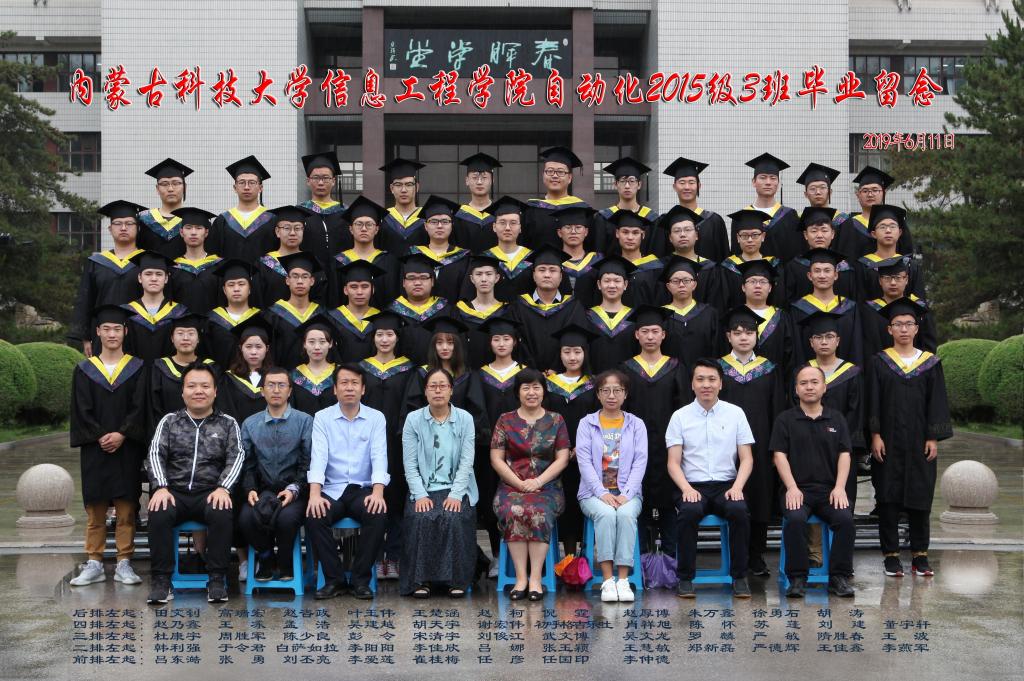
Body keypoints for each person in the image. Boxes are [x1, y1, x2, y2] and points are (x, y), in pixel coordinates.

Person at [146, 363, 245, 605]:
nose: (198, 391)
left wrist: (224, 488)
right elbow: (155, 454)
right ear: (183, 391)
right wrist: (160, 487)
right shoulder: (169, 421)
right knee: (158, 511)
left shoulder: (227, 423)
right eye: (192, 386)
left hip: (211, 492)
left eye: (205, 386)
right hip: (174, 491)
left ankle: (217, 579)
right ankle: (161, 581)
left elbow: (237, 456)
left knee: (222, 510)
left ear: (215, 391)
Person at [867, 298, 952, 578]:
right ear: (889, 329)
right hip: (888, 440)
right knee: (887, 496)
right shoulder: (879, 362)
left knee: (920, 495)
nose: (903, 329)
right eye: (898, 324)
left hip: (919, 440)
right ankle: (891, 556)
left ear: (916, 328)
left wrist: (933, 437)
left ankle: (920, 555)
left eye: (908, 324)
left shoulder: (930, 363)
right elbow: (873, 400)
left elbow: (936, 401)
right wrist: (875, 434)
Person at [68, 305, 147, 588]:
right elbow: (81, 409)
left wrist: (123, 434)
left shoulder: (138, 368)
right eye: (106, 329)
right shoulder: (84, 370)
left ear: (125, 332)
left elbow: (140, 407)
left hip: (126, 448)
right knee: (96, 509)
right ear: (98, 333)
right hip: (95, 448)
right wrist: (101, 435)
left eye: (116, 329)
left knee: (126, 510)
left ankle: (124, 562)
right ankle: (95, 562)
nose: (112, 334)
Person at [666, 358, 754, 598]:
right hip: (692, 485)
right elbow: (673, 463)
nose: (706, 384)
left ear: (721, 383)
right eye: (700, 379)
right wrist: (686, 488)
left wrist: (738, 487)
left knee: (739, 511)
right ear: (692, 384)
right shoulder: (680, 417)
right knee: (689, 512)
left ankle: (739, 577)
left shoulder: (735, 414)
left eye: (712, 379)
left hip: (727, 485)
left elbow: (747, 458)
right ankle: (685, 578)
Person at [306, 364, 390, 600]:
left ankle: (360, 580)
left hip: (362, 489)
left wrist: (378, 492)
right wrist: (314, 494)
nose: (349, 388)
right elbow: (319, 457)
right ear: (335, 389)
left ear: (363, 389)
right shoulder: (322, 418)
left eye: (354, 383)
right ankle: (335, 580)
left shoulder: (376, 418)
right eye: (344, 383)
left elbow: (379, 456)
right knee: (314, 515)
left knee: (378, 513)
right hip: (331, 488)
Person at [772, 364, 857, 598]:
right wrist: (791, 487)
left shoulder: (836, 419)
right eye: (803, 383)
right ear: (796, 389)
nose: (809, 387)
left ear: (824, 387)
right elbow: (779, 456)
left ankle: (839, 577)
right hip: (797, 490)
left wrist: (840, 487)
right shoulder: (785, 420)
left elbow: (845, 455)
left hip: (829, 491)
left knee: (845, 520)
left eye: (814, 382)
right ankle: (798, 578)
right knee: (796, 519)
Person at [490, 369, 571, 600]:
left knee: (538, 511)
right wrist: (518, 483)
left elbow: (563, 458)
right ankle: (520, 578)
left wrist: (537, 481)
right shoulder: (505, 420)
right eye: (526, 388)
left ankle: (536, 578)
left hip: (547, 487)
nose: (531, 392)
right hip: (511, 486)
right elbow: (496, 458)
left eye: (536, 387)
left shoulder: (556, 420)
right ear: (518, 392)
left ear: (544, 391)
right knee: (512, 510)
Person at [718, 306, 785, 577]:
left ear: (757, 336)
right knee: (731, 495)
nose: (743, 337)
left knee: (759, 497)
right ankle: (735, 554)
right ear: (728, 337)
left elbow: (777, 410)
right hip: (724, 443)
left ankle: (756, 555)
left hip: (760, 441)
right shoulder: (719, 369)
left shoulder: (769, 369)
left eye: (749, 332)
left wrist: (776, 447)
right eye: (737, 333)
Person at [400, 367, 479, 598]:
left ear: (451, 390)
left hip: (457, 487)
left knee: (454, 517)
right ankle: (420, 580)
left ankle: (457, 580)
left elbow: (467, 461)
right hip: (424, 488)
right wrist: (420, 494)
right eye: (432, 386)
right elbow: (409, 463)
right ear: (425, 391)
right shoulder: (413, 420)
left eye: (442, 386)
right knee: (420, 517)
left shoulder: (465, 419)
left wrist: (456, 494)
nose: (437, 391)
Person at [620, 305, 691, 556]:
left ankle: (670, 558)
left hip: (668, 446)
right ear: (636, 335)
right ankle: (639, 556)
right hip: (634, 446)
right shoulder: (626, 369)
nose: (650, 336)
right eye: (645, 331)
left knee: (668, 500)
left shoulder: (676, 367)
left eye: (655, 331)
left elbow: (684, 408)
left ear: (663, 335)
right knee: (637, 496)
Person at [575, 369, 647, 603]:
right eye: (605, 390)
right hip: (592, 493)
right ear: (598, 394)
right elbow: (584, 462)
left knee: (625, 514)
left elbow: (640, 461)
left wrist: (626, 494)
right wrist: (602, 493)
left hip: (628, 493)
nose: (612, 395)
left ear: (625, 394)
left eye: (617, 390)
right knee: (606, 515)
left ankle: (623, 580)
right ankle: (607, 580)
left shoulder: (636, 424)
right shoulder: (587, 423)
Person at [238, 366, 313, 582]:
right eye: (271, 385)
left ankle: (285, 561)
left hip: (296, 490)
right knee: (245, 518)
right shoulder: (250, 424)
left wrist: (295, 488)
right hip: (263, 490)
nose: (276, 390)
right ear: (262, 391)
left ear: (290, 391)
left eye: (282, 385)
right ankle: (266, 557)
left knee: (287, 519)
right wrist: (250, 489)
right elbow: (248, 463)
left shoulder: (304, 421)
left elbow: (308, 461)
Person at [358, 311, 417, 582]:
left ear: (397, 337)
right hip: (364, 441)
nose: (384, 339)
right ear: (373, 338)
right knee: (367, 495)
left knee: (394, 497)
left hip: (396, 442)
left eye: (389, 334)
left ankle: (393, 556)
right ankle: (371, 556)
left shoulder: (409, 369)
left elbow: (410, 405)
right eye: (380, 334)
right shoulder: (362, 369)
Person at [476, 315, 530, 572]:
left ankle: (525, 557)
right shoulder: (480, 375)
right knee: (490, 501)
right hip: (489, 448)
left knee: (524, 499)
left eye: (506, 338)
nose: (501, 343)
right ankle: (498, 554)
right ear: (489, 343)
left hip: (522, 449)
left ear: (515, 342)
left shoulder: (525, 374)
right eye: (496, 339)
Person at [69, 200, 146, 357]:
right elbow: (85, 300)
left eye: (129, 223)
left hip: (139, 334)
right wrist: (86, 337)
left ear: (138, 228)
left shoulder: (146, 262)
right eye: (118, 223)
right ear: (110, 229)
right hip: (103, 335)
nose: (123, 228)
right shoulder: (97, 262)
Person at [509, 245, 583, 372]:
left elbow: (577, 342)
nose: (547, 275)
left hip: (563, 375)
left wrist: (556, 369)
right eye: (542, 270)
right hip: (528, 377)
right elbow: (517, 343)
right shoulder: (519, 307)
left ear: (561, 276)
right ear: (534, 275)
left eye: (552, 270)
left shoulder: (573, 307)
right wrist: (533, 372)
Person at [789, 248, 864, 368]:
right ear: (809, 276)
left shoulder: (850, 308)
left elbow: (856, 347)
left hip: (845, 376)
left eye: (827, 270)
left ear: (835, 275)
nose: (822, 275)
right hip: (809, 376)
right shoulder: (798, 308)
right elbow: (797, 350)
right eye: (817, 271)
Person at [146, 313, 216, 438]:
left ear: (198, 338)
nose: (185, 338)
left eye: (191, 333)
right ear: (172, 338)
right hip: (168, 435)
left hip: (205, 436)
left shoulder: (211, 368)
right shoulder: (159, 368)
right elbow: (153, 408)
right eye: (180, 333)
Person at [861, 260, 938, 359]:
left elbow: (928, 344)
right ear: (880, 280)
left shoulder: (918, 307)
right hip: (878, 366)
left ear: (906, 280)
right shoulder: (868, 310)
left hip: (915, 365)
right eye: (887, 278)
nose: (893, 283)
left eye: (898, 278)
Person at [208, 156, 278, 264]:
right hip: (231, 274)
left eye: (252, 182)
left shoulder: (272, 219)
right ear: (235, 188)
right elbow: (213, 257)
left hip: (264, 275)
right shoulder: (223, 221)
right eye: (241, 182)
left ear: (260, 188)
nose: (246, 187)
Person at [734, 153, 802, 263]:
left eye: (773, 178)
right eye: (763, 178)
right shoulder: (741, 217)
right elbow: (736, 255)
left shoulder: (790, 216)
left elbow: (795, 254)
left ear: (778, 183)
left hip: (782, 273)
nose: (768, 182)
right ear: (753, 182)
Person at [834, 166, 914, 261]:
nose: (870, 194)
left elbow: (906, 256)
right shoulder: (847, 225)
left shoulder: (897, 224)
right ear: (858, 195)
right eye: (865, 191)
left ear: (883, 193)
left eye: (875, 190)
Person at [333, 195, 398, 308]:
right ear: (351, 229)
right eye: (359, 224)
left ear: (376, 229)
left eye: (369, 224)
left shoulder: (389, 261)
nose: (364, 229)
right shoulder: (338, 261)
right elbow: (334, 300)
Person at [122, 251, 189, 362]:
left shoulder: (180, 312)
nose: (154, 278)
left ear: (166, 278)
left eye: (159, 274)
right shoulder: (127, 312)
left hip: (168, 372)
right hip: (135, 371)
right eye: (148, 274)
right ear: (140, 278)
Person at [388, 252, 452, 366]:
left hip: (439, 373)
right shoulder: (391, 313)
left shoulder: (448, 311)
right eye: (411, 278)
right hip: (402, 373)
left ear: (432, 281)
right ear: (403, 283)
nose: (417, 283)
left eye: (423, 277)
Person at [783, 206, 858, 303]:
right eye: (814, 231)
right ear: (805, 235)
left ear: (832, 234)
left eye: (824, 230)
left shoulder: (844, 269)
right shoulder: (793, 267)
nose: (819, 235)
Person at [662, 156, 729, 262]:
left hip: (709, 272)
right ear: (674, 187)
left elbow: (723, 257)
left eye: (691, 182)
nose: (687, 187)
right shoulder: (665, 222)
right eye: (682, 182)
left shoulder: (714, 221)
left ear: (699, 186)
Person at [264, 252, 325, 369]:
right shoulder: (273, 315)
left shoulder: (321, 314)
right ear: (287, 280)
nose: (300, 281)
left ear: (312, 281)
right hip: (282, 377)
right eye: (295, 276)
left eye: (305, 276)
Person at [255, 205, 323, 307]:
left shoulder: (313, 262)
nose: (292, 233)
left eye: (297, 228)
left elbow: (319, 299)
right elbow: (258, 299)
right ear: (277, 232)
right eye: (286, 228)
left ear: (303, 231)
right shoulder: (264, 264)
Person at [580, 255, 638, 373]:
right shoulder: (587, 317)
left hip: (627, 381)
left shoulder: (634, 318)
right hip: (596, 380)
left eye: (617, 281)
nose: (612, 285)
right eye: (606, 281)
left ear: (625, 285)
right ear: (599, 284)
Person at [718, 208, 785, 310]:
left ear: (763, 236)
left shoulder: (774, 265)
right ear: (738, 238)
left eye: (755, 235)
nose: (750, 240)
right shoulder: (727, 267)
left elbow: (779, 299)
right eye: (744, 235)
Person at [856, 204, 925, 302]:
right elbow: (859, 302)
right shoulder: (863, 266)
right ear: (873, 234)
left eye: (892, 226)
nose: (888, 231)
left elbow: (919, 301)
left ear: (900, 232)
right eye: (882, 227)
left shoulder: (910, 266)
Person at [654, 205, 721, 306]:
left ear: (696, 235)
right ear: (670, 238)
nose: (682, 234)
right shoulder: (659, 267)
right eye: (677, 231)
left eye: (688, 230)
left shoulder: (711, 269)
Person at [660, 256, 719, 370]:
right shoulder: (661, 315)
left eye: (686, 280)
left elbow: (717, 350)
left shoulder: (709, 314)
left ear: (694, 285)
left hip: (703, 377)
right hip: (670, 376)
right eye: (675, 281)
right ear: (668, 286)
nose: (681, 285)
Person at [410, 195, 471, 303]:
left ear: (452, 225)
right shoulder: (413, 256)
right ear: (425, 226)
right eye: (433, 221)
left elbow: (466, 294)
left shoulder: (464, 258)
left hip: (453, 313)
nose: (439, 226)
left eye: (445, 221)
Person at [525, 146, 588, 250]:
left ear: (570, 178)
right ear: (543, 175)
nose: (554, 176)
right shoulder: (531, 209)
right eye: (550, 171)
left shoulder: (582, 209)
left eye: (560, 172)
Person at [592, 157, 659, 256]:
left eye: (632, 181)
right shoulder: (603, 218)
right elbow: (599, 252)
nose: (627, 186)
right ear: (615, 184)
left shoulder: (652, 218)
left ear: (639, 185)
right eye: (622, 181)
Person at [204, 259, 261, 370]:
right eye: (231, 285)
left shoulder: (261, 317)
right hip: (220, 377)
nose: (236, 289)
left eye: (241, 284)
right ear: (224, 290)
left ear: (250, 289)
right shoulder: (211, 320)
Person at [455, 253, 508, 369]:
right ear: (472, 279)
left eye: (489, 274)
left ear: (497, 278)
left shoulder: (507, 312)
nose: (484, 279)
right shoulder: (460, 311)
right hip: (467, 371)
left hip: (499, 372)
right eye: (478, 274)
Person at [298, 150, 348, 274]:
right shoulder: (299, 212)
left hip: (341, 274)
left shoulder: (346, 213)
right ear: (308, 181)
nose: (320, 182)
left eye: (326, 178)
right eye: (316, 178)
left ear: (333, 181)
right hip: (308, 274)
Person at [216, 316, 271, 427]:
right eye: (248, 346)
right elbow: (225, 410)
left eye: (259, 347)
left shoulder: (275, 377)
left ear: (267, 348)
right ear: (241, 348)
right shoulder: (229, 379)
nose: (253, 352)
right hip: (236, 433)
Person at [327, 260, 385, 363]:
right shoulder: (332, 318)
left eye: (365, 286)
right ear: (345, 290)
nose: (359, 292)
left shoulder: (381, 318)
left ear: (372, 290)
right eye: (354, 287)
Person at [479, 195, 535, 303]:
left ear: (520, 228)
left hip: (525, 313)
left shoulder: (532, 258)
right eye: (502, 223)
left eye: (513, 223)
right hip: (494, 313)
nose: (508, 228)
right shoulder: (483, 258)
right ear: (494, 227)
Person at [168, 208, 222, 315]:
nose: (193, 232)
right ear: (181, 232)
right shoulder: (173, 267)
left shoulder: (218, 266)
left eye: (199, 228)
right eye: (188, 228)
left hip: (212, 323)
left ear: (206, 232)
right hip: (182, 324)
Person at [137, 158, 192, 259]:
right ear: (157, 189)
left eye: (176, 183)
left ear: (185, 187)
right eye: (164, 184)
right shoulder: (143, 220)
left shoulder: (194, 220)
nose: (170, 189)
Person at [552, 204, 602, 304]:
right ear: (559, 233)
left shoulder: (597, 261)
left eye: (578, 227)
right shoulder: (552, 261)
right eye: (568, 227)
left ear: (586, 232)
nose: (573, 232)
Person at [289, 317, 339, 415]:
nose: (317, 347)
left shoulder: (340, 373)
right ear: (304, 344)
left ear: (330, 344)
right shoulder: (293, 375)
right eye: (311, 342)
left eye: (322, 342)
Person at [453, 152, 500, 253]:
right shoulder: (457, 216)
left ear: (492, 180)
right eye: (474, 177)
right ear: (467, 180)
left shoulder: (500, 213)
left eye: (484, 177)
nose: (479, 182)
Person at [378, 157, 427, 254]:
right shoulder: (383, 218)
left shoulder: (427, 218)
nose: (403, 190)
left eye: (409, 184)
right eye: (398, 185)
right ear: (392, 188)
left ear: (417, 187)